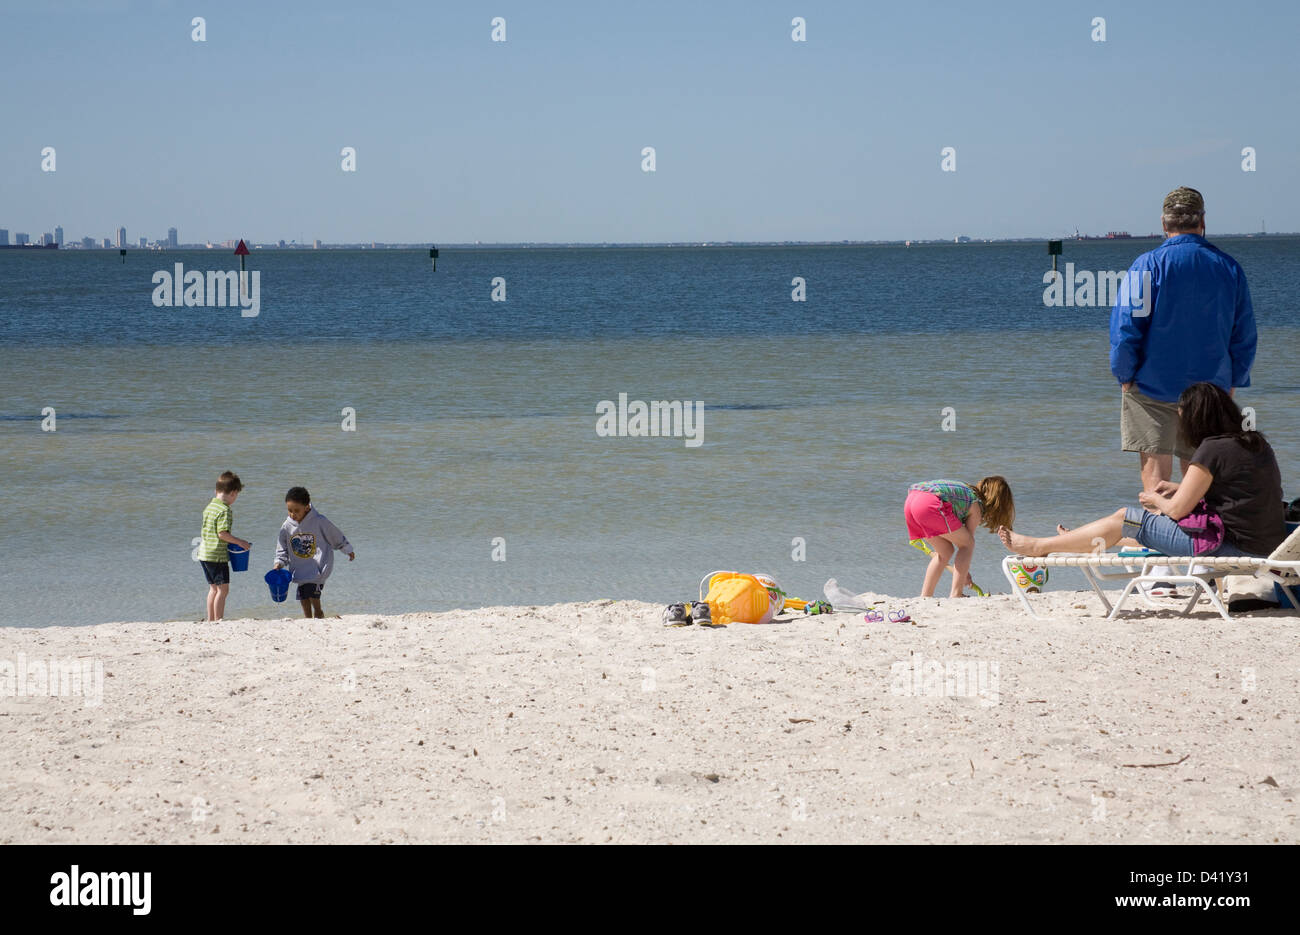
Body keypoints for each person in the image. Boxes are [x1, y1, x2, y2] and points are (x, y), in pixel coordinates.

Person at [999, 383, 1284, 560]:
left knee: (1128, 518)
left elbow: (1174, 512)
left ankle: (1039, 546)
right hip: (1264, 543)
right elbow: (1236, 491)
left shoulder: (1211, 449)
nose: (1182, 428)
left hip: (1228, 547)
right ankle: (1073, 540)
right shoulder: (1255, 443)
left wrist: (1156, 498)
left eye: (1183, 420)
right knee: (1126, 525)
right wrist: (1177, 487)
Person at [1110, 186, 1256, 494]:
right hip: (1210, 390)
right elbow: (1243, 336)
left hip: (1152, 386)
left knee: (1156, 487)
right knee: (1201, 484)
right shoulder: (1229, 268)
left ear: (1164, 224)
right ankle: (1200, 539)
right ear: (1202, 221)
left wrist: (1125, 376)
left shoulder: (1147, 265)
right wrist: (1233, 381)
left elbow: (1127, 330)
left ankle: (1162, 538)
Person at [905, 477, 1015, 598]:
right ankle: (956, 593)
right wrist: (963, 574)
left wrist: (963, 572)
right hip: (928, 503)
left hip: (912, 499)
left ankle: (926, 595)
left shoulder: (967, 493)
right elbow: (965, 545)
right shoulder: (976, 504)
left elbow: (962, 549)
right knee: (968, 544)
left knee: (945, 551)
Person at [273, 486, 355, 618]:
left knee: (312, 592)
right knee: (303, 596)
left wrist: (347, 549)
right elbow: (282, 547)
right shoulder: (287, 526)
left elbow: (335, 535)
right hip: (299, 566)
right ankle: (308, 618)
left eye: (296, 511)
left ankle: (318, 612)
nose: (293, 514)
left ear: (306, 507)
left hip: (318, 566)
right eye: (289, 511)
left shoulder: (319, 521)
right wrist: (279, 563)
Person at [198, 471, 251, 621]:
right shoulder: (224, 510)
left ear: (216, 490)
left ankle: (211, 619)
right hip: (217, 556)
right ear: (234, 493)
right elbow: (222, 534)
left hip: (204, 554)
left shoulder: (210, 506)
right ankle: (218, 620)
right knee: (223, 589)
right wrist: (240, 542)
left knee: (213, 588)